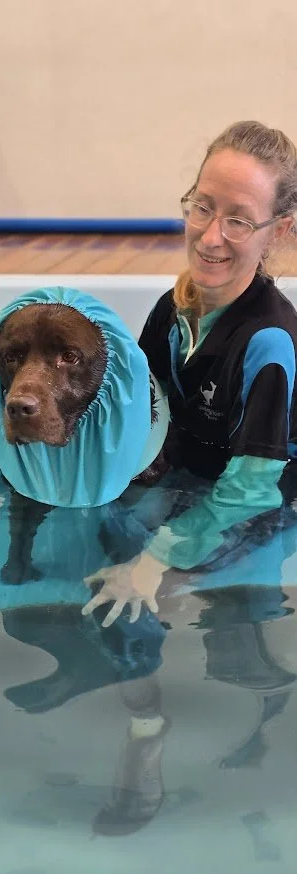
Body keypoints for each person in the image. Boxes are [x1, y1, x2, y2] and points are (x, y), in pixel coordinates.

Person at [82, 120, 297, 626]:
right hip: (191, 468)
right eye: (203, 206)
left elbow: (251, 490)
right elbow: (135, 411)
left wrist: (158, 560)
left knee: (140, 600)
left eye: (240, 221)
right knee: (94, 529)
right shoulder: (172, 308)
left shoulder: (269, 343)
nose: (211, 235)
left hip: (261, 496)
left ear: (279, 231)